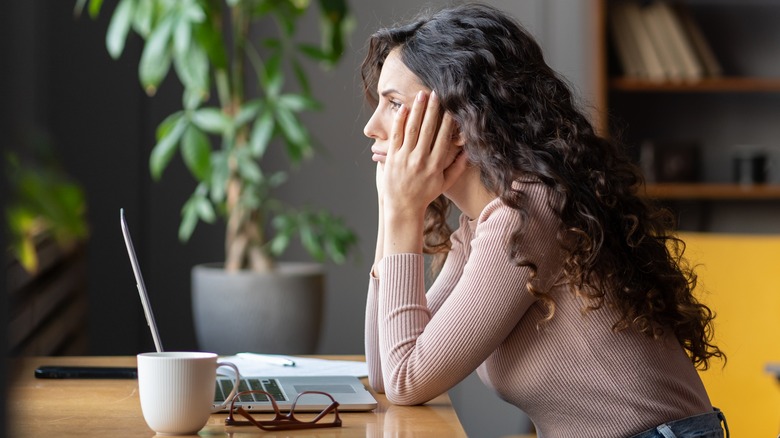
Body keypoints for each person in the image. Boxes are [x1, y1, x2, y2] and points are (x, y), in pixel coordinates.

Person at [360, 3, 728, 438]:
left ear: (457, 119)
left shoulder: (528, 211)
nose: (371, 126)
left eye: (394, 104)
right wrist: (392, 210)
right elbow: (386, 371)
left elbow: (405, 378)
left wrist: (404, 209)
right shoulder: (482, 224)